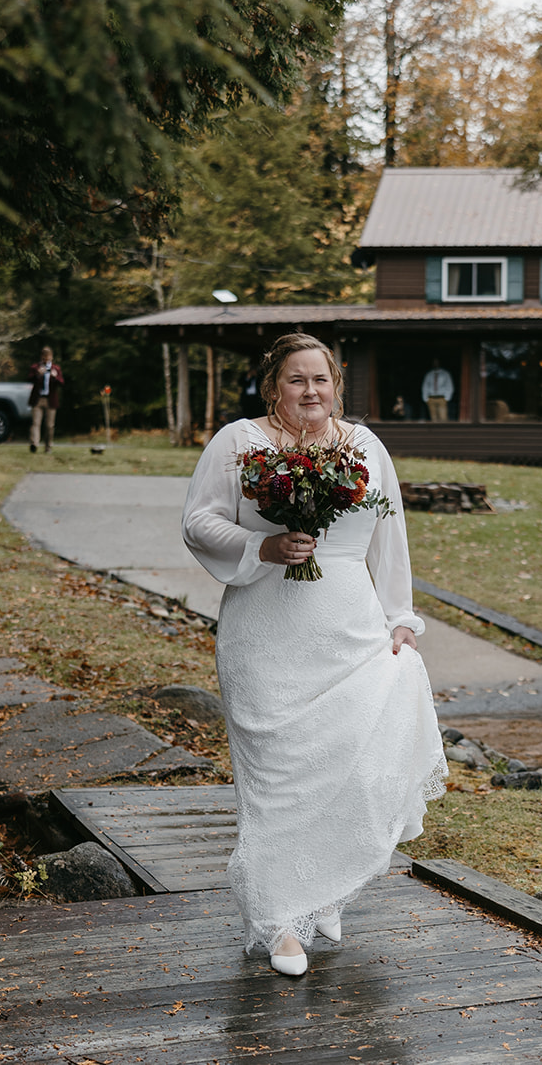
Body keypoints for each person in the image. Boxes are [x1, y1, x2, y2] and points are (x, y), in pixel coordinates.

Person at [181, 332, 446, 978]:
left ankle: (320, 891)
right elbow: (199, 521)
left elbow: (388, 537)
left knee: (341, 770)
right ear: (274, 385)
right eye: (297, 380)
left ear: (336, 384)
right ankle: (276, 921)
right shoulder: (239, 442)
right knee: (275, 779)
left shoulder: (362, 445)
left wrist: (399, 618)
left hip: (349, 636)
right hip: (265, 634)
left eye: (321, 380)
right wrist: (261, 548)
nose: (310, 392)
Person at [28, 346, 64, 452]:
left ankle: (48, 447)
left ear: (51, 357)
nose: (46, 359)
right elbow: (29, 379)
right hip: (38, 399)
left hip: (50, 400)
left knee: (49, 425)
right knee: (36, 423)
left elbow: (62, 383)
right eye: (44, 357)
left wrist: (55, 377)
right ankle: (34, 443)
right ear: (41, 357)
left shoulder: (56, 369)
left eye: (48, 357)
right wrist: (38, 374)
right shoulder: (35, 367)